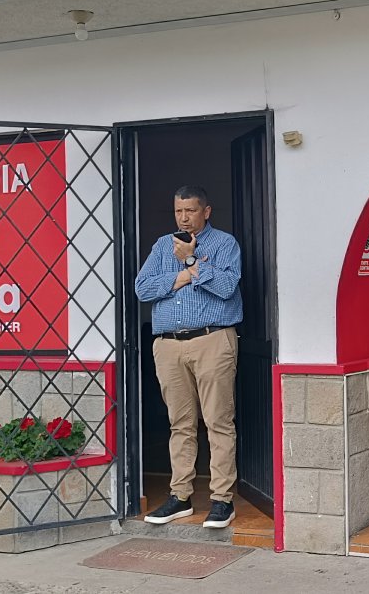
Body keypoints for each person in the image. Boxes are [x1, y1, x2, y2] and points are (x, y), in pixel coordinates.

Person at [134, 185, 244, 527]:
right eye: (179, 211)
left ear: (206, 212)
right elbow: (142, 288)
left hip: (212, 339)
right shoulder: (161, 246)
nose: (184, 218)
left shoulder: (224, 244)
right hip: (168, 344)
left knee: (218, 422)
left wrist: (191, 261)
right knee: (179, 424)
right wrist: (183, 276)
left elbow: (227, 287)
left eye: (191, 210)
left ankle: (222, 500)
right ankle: (180, 496)